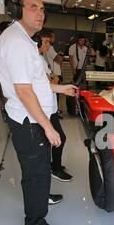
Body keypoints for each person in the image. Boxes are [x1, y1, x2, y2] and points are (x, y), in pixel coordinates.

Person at [0, 0, 77, 225]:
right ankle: (35, 222)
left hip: (33, 118)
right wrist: (49, 127)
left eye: (42, 8)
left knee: (40, 166)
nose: (40, 13)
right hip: (29, 122)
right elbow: (24, 91)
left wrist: (61, 88)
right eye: (32, 7)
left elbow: (36, 83)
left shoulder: (25, 40)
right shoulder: (17, 43)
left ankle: (43, 196)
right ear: (17, 10)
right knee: (35, 172)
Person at [36, 31, 74, 183]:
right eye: (45, 42)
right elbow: (47, 82)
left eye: (48, 42)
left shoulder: (41, 59)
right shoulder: (36, 60)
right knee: (60, 138)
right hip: (44, 108)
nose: (48, 45)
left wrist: (54, 79)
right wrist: (55, 80)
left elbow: (50, 78)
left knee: (59, 138)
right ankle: (55, 169)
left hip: (49, 107)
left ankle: (55, 165)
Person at [68, 34, 87, 115]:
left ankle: (83, 106)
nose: (82, 42)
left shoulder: (86, 48)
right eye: (80, 40)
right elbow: (71, 59)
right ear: (78, 40)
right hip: (77, 70)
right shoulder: (73, 47)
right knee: (76, 87)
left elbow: (93, 54)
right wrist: (73, 70)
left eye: (83, 40)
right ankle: (76, 106)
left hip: (84, 70)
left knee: (84, 87)